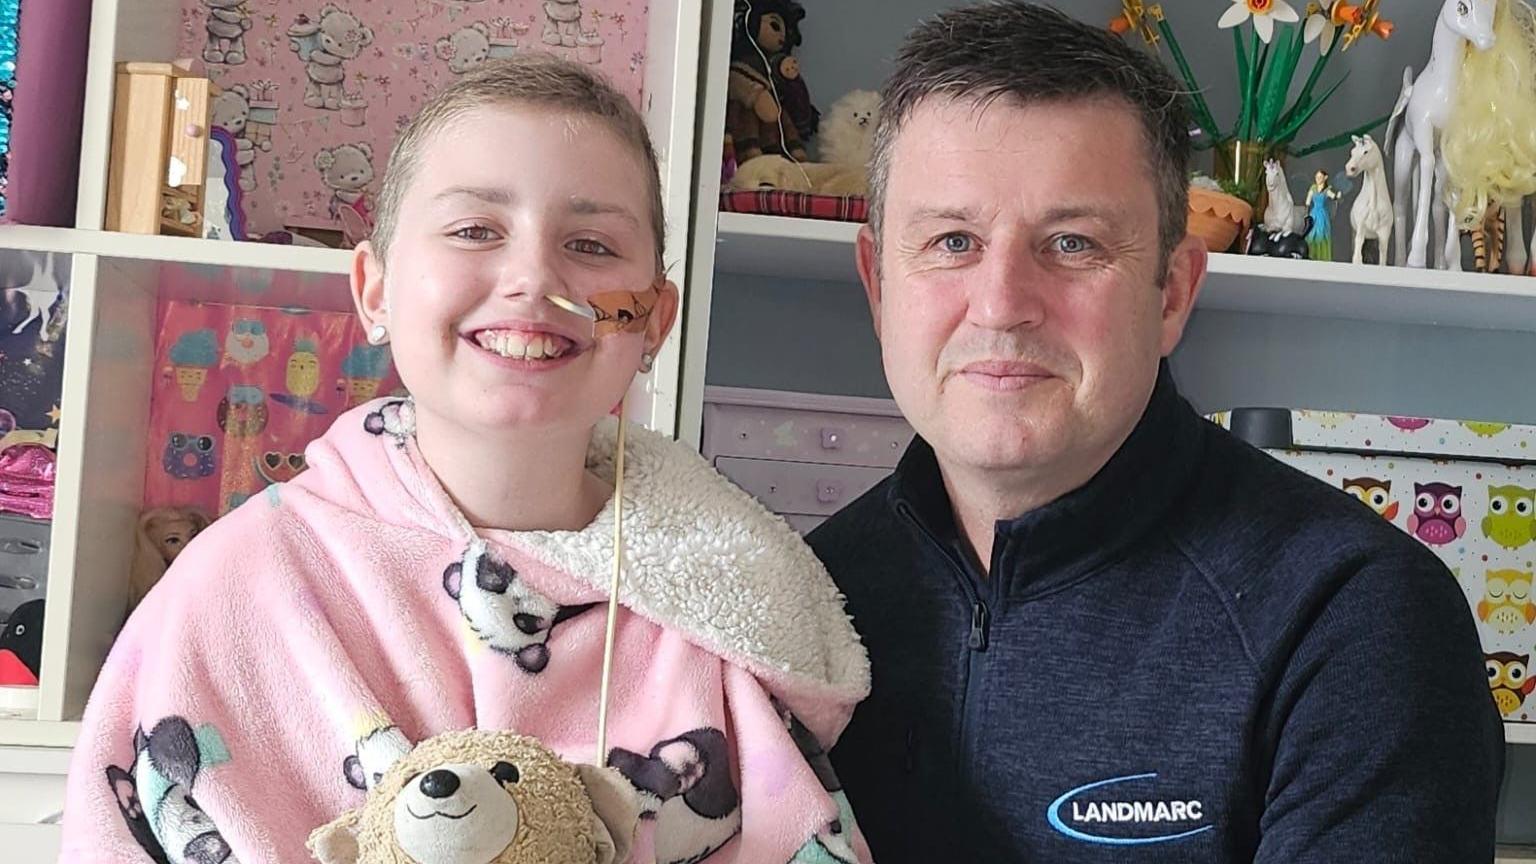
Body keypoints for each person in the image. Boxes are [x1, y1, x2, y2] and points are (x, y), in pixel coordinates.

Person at [61, 56, 871, 864]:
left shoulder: (721, 599)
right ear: (376, 290)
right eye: (475, 231)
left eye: (590, 244)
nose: (531, 280)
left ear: (653, 322)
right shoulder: (236, 586)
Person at [808, 3, 1503, 862]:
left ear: (1172, 292)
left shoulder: (1356, 618)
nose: (1001, 305)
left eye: (1071, 243)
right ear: (879, 284)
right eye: (953, 241)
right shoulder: (802, 603)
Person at [1305, 169, 1341, 261]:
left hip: (1322, 214)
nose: (1318, 179)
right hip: (1314, 213)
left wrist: (1338, 196)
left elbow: (1333, 197)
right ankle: (1311, 254)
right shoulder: (1313, 188)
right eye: (1317, 177)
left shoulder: (1327, 190)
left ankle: (1322, 256)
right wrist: (1307, 209)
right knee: (1311, 233)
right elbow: (1308, 201)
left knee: (1322, 232)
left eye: (1320, 177)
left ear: (1325, 178)